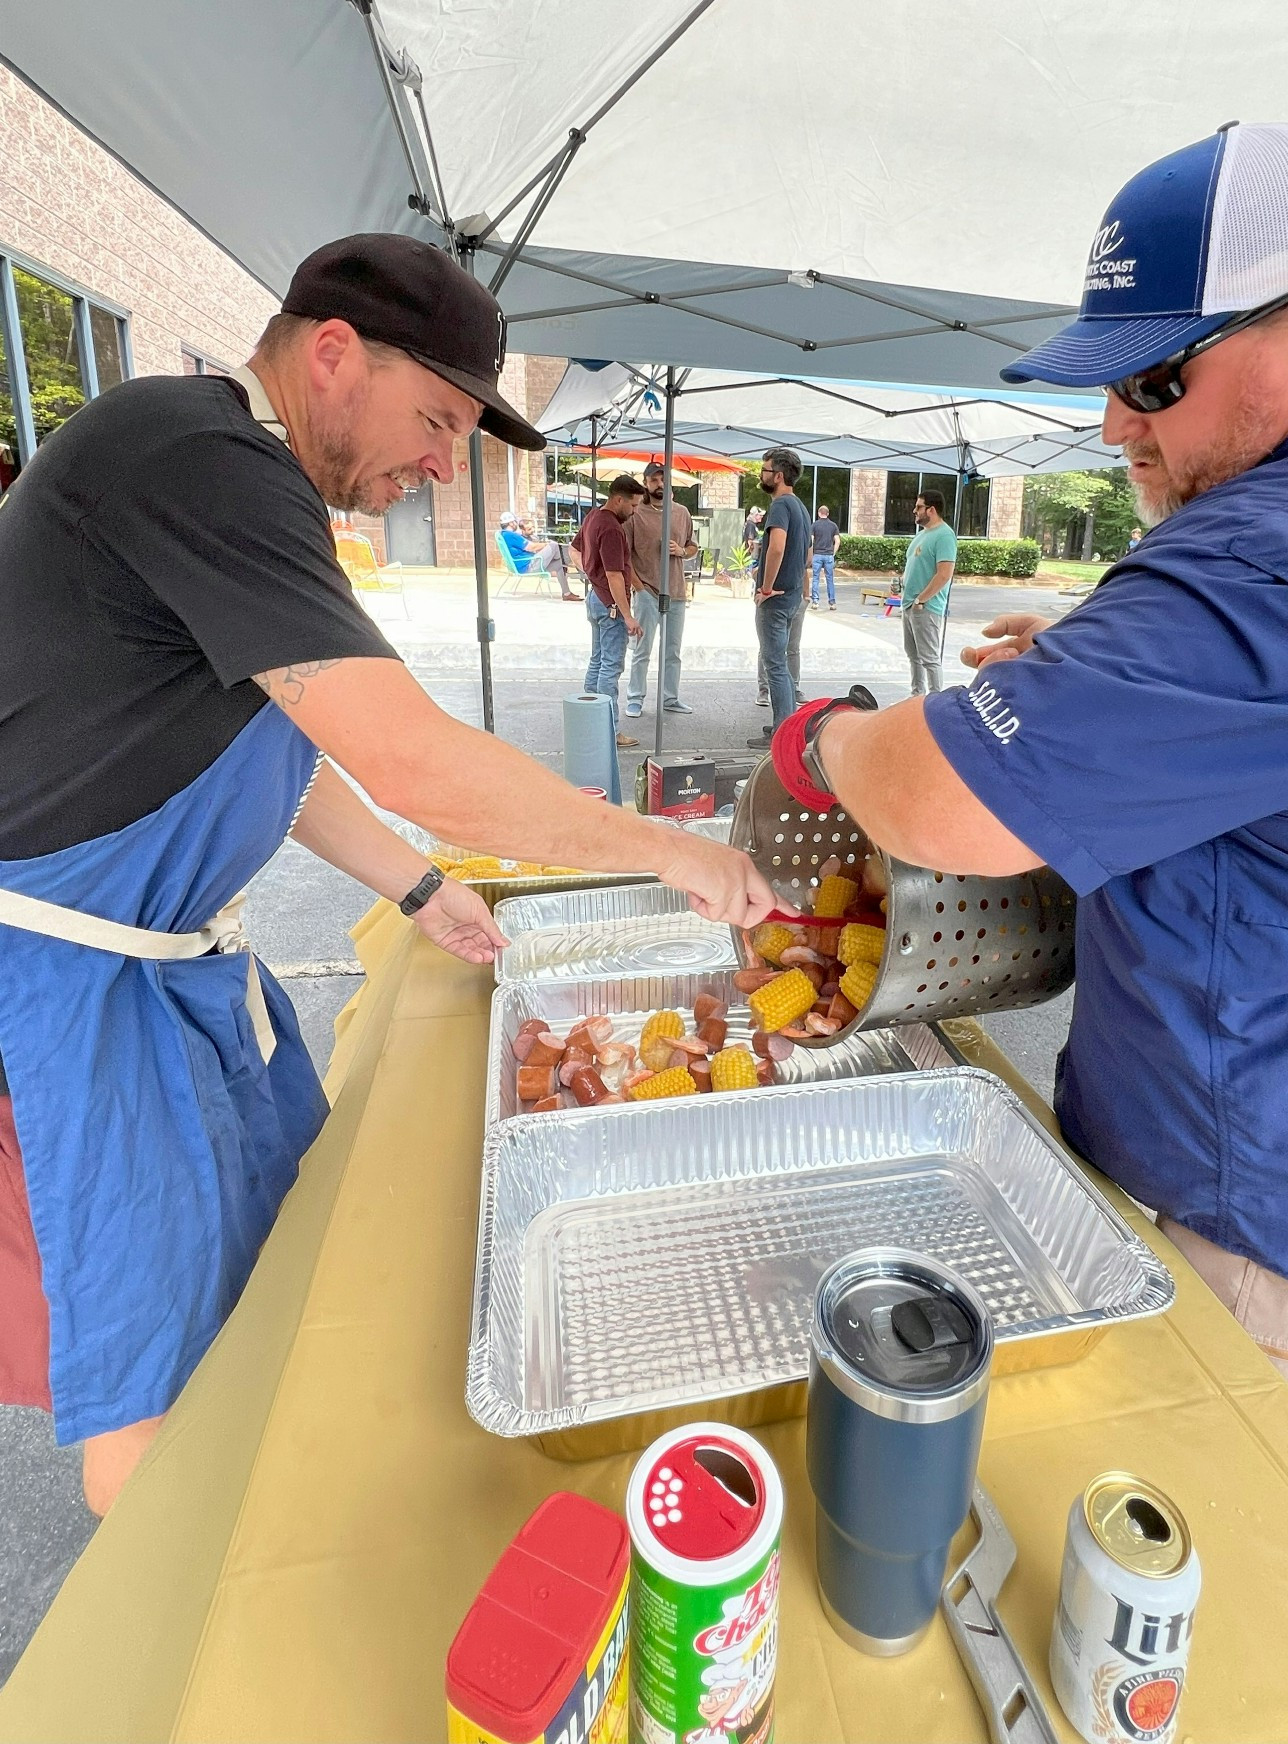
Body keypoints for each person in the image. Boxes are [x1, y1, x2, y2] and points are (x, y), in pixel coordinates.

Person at [772, 123, 1288, 1536]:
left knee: (1187, 1614)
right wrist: (1116, 685)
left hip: (1267, 1240)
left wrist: (827, 741)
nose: (1120, 424)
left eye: (1156, 379)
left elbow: (941, 802)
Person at [0, 235, 777, 1515]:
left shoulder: (243, 484)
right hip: (79, 995)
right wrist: (668, 847)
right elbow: (413, 755)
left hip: (168, 966)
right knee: (151, 1395)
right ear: (332, 353)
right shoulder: (193, 455)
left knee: (267, 1277)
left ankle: (258, 1513)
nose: (438, 460)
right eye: (436, 419)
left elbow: (271, 755)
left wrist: (416, 887)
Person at [575, 474, 646, 744]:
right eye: (634, 505)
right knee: (610, 668)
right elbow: (615, 574)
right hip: (611, 604)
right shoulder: (613, 529)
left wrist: (593, 577)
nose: (635, 511)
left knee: (597, 661)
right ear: (619, 500)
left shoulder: (593, 517)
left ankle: (589, 719)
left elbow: (575, 551)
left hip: (596, 598)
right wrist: (628, 615)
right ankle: (609, 730)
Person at [624, 460, 694, 721]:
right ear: (645, 483)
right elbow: (625, 556)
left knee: (672, 650)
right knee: (642, 649)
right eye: (654, 479)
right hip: (648, 591)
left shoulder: (681, 513)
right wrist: (639, 588)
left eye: (664, 478)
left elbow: (692, 546)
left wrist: (682, 551)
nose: (660, 483)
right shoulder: (635, 514)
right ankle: (635, 698)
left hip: (675, 591)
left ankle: (670, 697)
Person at [752, 448, 811, 728]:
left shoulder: (780, 506)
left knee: (774, 665)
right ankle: (784, 725)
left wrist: (766, 587)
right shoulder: (800, 506)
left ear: (777, 475)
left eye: (765, 470)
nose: (761, 475)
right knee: (781, 665)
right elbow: (807, 555)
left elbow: (776, 547)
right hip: (792, 596)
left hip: (776, 600)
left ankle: (782, 731)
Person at [900, 489, 957, 694]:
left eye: (919, 507)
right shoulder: (923, 535)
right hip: (910, 605)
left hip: (926, 606)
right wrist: (901, 582)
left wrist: (921, 600)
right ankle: (917, 697)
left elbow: (944, 574)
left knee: (929, 658)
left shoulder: (945, 536)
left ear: (931, 510)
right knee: (913, 656)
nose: (915, 511)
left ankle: (935, 700)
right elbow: (915, 566)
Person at [499, 510, 579, 598]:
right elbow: (532, 547)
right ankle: (572, 559)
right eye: (515, 521)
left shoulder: (504, 535)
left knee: (560, 565)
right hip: (529, 565)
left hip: (527, 564)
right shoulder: (510, 535)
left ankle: (567, 594)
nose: (516, 523)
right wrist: (546, 545)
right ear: (510, 523)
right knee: (554, 545)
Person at [810, 505, 840, 609]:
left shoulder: (814, 525)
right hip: (829, 555)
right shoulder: (833, 526)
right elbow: (837, 541)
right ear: (827, 514)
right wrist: (833, 553)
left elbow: (811, 540)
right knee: (830, 579)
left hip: (817, 554)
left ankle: (815, 602)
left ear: (819, 513)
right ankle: (832, 603)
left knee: (815, 578)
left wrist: (811, 553)